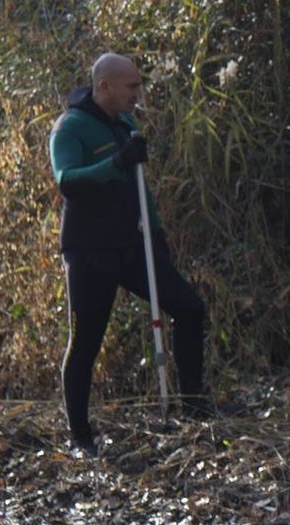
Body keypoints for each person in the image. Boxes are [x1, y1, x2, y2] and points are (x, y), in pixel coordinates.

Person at [49, 52, 211, 457]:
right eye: (131, 86)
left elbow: (141, 186)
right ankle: (81, 437)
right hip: (88, 251)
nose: (138, 93)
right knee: (86, 340)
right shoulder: (70, 128)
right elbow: (67, 180)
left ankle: (193, 407)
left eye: (138, 85)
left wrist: (156, 235)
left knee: (190, 308)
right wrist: (114, 162)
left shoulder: (126, 123)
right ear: (104, 87)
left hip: (130, 244)